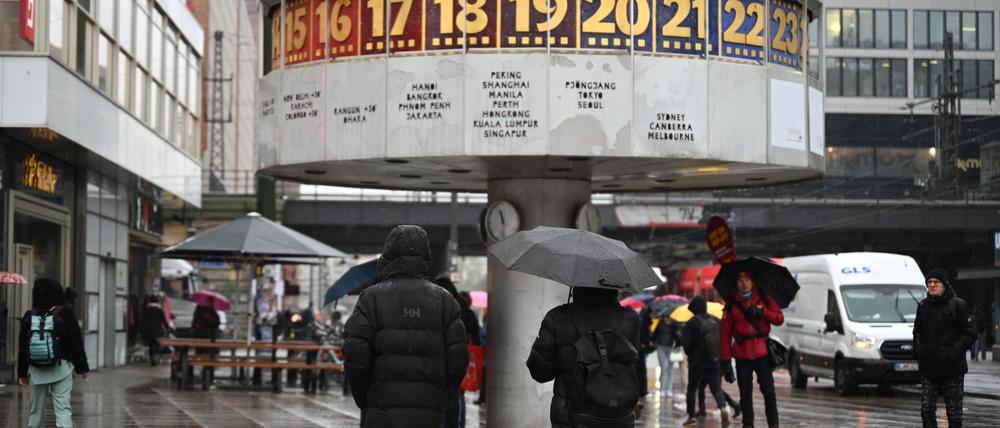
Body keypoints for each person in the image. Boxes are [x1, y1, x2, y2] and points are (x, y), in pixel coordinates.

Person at [343, 225, 469, 428]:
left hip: (382, 409)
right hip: (428, 412)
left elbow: (355, 354)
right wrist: (442, 396)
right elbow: (458, 358)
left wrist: (365, 398)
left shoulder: (371, 298)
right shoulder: (445, 301)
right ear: (426, 256)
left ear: (389, 255)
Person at [526, 287, 646, 428]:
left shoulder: (558, 317)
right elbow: (635, 366)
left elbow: (541, 373)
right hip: (619, 416)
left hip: (572, 417)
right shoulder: (630, 319)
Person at [17, 278, 90, 428]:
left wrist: (22, 373)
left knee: (36, 411)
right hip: (61, 367)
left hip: (36, 369)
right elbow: (76, 343)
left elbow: (23, 347)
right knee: (63, 408)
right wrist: (83, 368)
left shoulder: (29, 315)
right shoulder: (66, 313)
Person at [913, 268, 977, 428]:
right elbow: (917, 332)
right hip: (929, 368)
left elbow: (969, 333)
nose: (932, 285)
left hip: (952, 369)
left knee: (954, 413)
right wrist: (919, 352)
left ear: (944, 285)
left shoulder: (957, 305)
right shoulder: (922, 306)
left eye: (936, 282)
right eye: (929, 282)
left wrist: (953, 352)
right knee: (926, 409)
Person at [720, 271, 783, 428]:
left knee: (769, 392)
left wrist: (762, 312)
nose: (744, 283)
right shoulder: (731, 303)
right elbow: (725, 334)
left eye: (747, 279)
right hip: (742, 355)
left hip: (762, 353)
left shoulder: (764, 297)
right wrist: (726, 362)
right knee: (745, 394)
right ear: (736, 283)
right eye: (740, 280)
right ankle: (748, 425)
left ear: (753, 281)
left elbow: (779, 319)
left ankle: (773, 424)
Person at [435, 277, 480, 428]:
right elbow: (475, 336)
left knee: (444, 399)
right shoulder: (463, 308)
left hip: (441, 360)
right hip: (460, 357)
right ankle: (459, 424)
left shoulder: (438, 308)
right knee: (457, 396)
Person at [681, 296, 730, 427]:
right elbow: (724, 341)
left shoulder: (691, 323)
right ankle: (723, 409)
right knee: (716, 388)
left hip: (697, 362)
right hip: (714, 361)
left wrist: (692, 355)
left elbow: (686, 345)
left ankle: (691, 417)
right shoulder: (717, 321)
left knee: (692, 388)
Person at [651, 311, 680, 397]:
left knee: (670, 369)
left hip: (671, 347)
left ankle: (669, 389)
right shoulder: (661, 322)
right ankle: (662, 389)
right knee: (663, 368)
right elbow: (655, 333)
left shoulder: (675, 324)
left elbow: (678, 336)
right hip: (661, 347)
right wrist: (653, 341)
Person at [141, 294, 172, 366]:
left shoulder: (147, 310)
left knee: (151, 345)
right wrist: (168, 327)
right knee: (157, 344)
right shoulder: (159, 310)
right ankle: (156, 355)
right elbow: (164, 320)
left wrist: (142, 331)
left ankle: (152, 358)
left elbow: (144, 321)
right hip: (157, 331)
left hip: (148, 331)